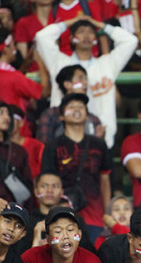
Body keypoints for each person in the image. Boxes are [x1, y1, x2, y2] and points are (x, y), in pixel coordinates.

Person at [35, 15, 138, 148]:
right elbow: (42, 36)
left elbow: (131, 40)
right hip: (63, 140)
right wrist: (70, 21)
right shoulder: (59, 62)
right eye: (81, 31)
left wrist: (100, 24)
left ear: (96, 39)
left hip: (102, 139)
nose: (86, 36)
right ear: (72, 38)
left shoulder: (107, 64)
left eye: (90, 32)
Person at [41, 93, 114, 237]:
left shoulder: (99, 144)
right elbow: (46, 182)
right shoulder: (52, 146)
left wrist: (107, 214)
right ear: (62, 116)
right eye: (71, 107)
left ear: (87, 115)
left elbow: (105, 180)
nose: (76, 109)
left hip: (95, 216)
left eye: (81, 107)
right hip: (63, 215)